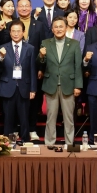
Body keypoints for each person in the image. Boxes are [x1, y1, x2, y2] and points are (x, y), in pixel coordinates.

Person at [39, 16, 83, 149]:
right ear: (52, 29)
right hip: (51, 84)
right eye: (56, 27)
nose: (58, 29)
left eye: (61, 26)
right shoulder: (45, 43)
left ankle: (69, 143)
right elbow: (40, 64)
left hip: (68, 85)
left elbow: (78, 66)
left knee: (69, 117)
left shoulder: (74, 44)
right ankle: (49, 142)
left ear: (66, 28)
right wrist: (41, 56)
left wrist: (78, 85)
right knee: (51, 116)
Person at [0, 21, 36, 138]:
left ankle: (25, 140)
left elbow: (32, 70)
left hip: (24, 87)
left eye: (18, 31)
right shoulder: (2, 48)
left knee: (24, 117)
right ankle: (7, 141)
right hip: (7, 86)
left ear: (23, 32)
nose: (15, 34)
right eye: (13, 31)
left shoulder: (30, 48)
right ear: (9, 32)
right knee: (8, 117)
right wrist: (1, 57)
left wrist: (33, 89)